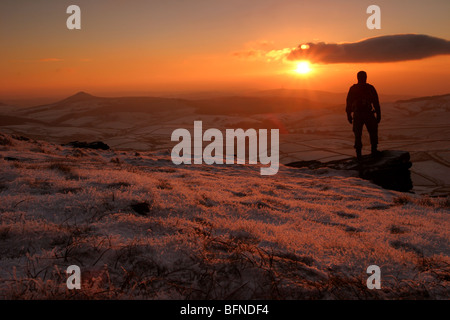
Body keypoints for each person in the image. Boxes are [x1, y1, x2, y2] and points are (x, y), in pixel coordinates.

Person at [346, 71, 381, 160]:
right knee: (372, 133)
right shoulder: (370, 88)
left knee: (358, 135)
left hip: (358, 115)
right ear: (366, 77)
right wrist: (378, 114)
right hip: (368, 114)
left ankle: (359, 154)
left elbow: (348, 103)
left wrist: (349, 115)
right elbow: (376, 102)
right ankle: (373, 151)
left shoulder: (353, 88)